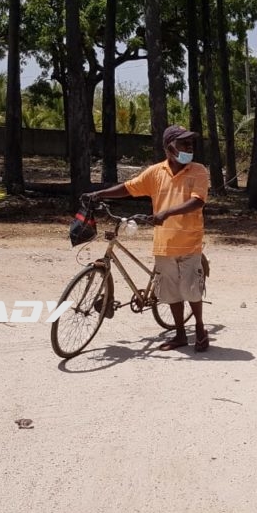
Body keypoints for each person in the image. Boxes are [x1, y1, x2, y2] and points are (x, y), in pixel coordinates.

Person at [82, 124, 210, 352]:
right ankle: (180, 334)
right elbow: (129, 188)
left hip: (190, 243)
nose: (189, 147)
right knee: (171, 292)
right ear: (169, 147)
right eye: (183, 143)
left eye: (191, 143)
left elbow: (197, 201)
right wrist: (98, 194)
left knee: (191, 290)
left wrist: (166, 213)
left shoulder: (198, 170)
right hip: (164, 244)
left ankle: (200, 330)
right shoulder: (156, 172)